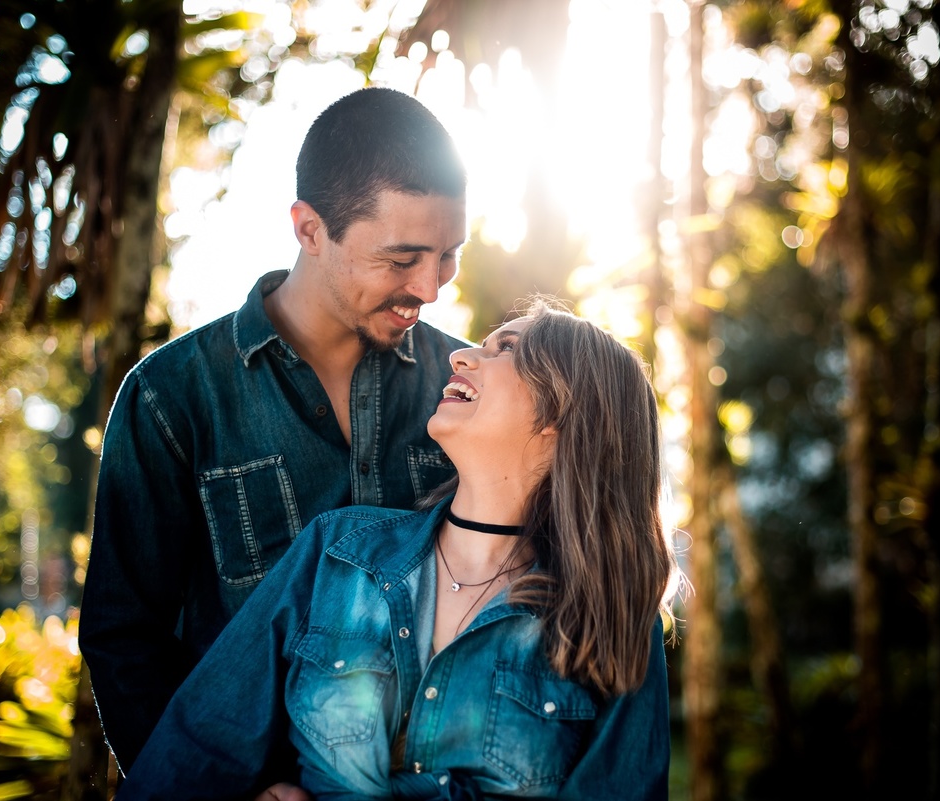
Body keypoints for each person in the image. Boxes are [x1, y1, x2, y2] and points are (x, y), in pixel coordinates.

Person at [118, 302, 676, 800]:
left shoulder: (614, 617)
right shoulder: (336, 553)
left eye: (505, 349)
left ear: (561, 413)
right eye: (480, 343)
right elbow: (194, 750)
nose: (462, 359)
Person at [78, 86, 471, 777]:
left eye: (449, 255)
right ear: (310, 229)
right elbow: (124, 642)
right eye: (401, 259)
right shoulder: (172, 397)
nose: (432, 287)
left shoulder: (467, 386)